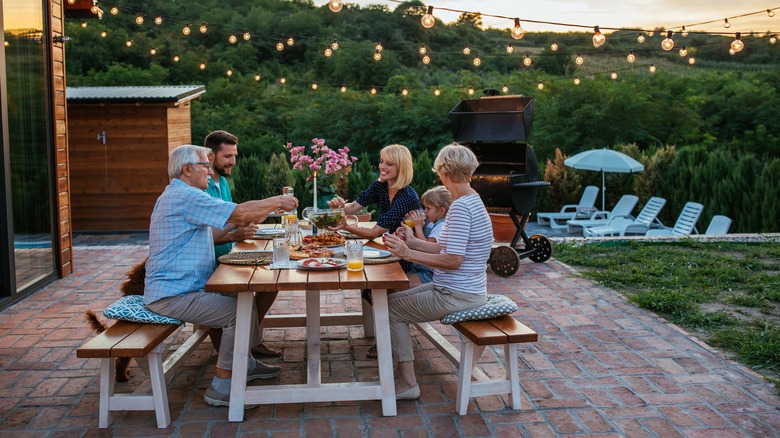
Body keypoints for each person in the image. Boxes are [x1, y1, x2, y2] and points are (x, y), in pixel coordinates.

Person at [144, 144, 298, 407]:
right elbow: (238, 212)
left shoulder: (181, 195)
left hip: (186, 288)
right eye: (205, 165)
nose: (209, 170)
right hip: (173, 295)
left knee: (248, 294)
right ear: (187, 169)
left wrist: (244, 222)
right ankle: (222, 385)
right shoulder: (185, 196)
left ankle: (245, 363)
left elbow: (222, 228)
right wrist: (276, 201)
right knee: (239, 311)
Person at [382, 144, 492, 400]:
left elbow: (453, 260)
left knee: (389, 310)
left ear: (444, 171)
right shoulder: (469, 201)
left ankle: (408, 383)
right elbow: (443, 246)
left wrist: (408, 254)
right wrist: (411, 241)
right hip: (460, 289)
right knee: (388, 302)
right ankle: (401, 375)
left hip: (457, 293)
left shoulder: (461, 207)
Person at [203, 130, 280, 358]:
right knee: (248, 288)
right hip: (214, 261)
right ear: (210, 156)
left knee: (272, 279)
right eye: (227, 156)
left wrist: (256, 217)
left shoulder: (223, 183)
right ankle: (232, 349)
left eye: (234, 155)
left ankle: (251, 336)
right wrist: (235, 234)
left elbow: (234, 218)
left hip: (232, 254)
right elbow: (208, 235)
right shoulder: (202, 187)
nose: (233, 161)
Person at [327, 144, 420, 245]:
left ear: (402, 167)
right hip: (390, 245)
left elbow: (374, 233)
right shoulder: (380, 185)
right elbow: (353, 207)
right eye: (381, 161)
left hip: (406, 252)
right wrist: (337, 208)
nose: (382, 167)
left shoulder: (406, 197)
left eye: (389, 164)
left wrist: (346, 227)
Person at [404, 185, 451, 285]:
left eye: (428, 208)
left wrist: (418, 227)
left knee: (396, 286)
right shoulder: (431, 223)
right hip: (419, 268)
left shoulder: (441, 226)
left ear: (441, 211)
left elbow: (426, 247)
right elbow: (416, 241)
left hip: (429, 274)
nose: (425, 211)